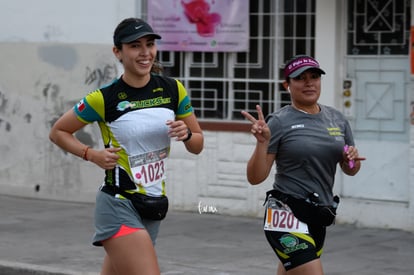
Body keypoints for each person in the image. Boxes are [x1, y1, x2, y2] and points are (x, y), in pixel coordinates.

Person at [49, 18, 204, 275]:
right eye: (135, 46)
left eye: (150, 44)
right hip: (118, 202)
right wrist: (91, 154)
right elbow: (58, 132)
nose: (145, 53)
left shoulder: (172, 89)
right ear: (118, 52)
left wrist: (187, 134)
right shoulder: (104, 98)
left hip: (152, 204)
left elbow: (198, 144)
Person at [241, 55, 365, 275]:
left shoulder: (337, 119)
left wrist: (351, 160)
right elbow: (255, 177)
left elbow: (351, 169)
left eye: (314, 77)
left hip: (319, 214)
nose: (309, 83)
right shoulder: (279, 121)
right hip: (286, 212)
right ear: (287, 85)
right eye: (300, 78)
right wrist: (262, 144)